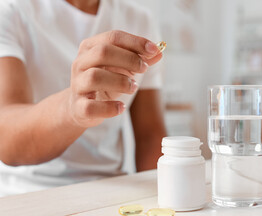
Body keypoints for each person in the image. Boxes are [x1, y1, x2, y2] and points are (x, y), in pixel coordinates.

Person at [0, 0, 166, 196]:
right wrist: (73, 109)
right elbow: (6, 137)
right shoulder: (11, 11)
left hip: (110, 190)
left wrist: (164, 194)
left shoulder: (139, 20)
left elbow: (149, 136)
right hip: (29, 191)